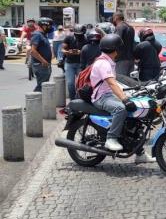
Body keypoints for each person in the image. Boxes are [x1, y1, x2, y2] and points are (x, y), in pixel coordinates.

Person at [92, 34, 155, 163]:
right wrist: (125, 100)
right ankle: (111, 138)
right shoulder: (103, 63)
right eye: (119, 48)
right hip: (101, 97)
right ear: (114, 49)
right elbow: (111, 83)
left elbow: (116, 82)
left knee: (135, 116)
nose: (120, 51)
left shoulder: (108, 61)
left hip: (109, 95)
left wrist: (131, 92)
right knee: (121, 109)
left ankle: (139, 153)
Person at [29, 17, 53, 92]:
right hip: (40, 65)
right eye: (49, 26)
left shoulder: (43, 35)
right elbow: (33, 51)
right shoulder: (37, 35)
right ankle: (34, 101)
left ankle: (38, 101)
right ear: (44, 25)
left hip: (44, 64)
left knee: (43, 86)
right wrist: (43, 61)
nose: (50, 28)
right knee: (41, 87)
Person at [61, 25, 85, 99]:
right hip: (70, 63)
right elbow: (62, 49)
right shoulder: (69, 38)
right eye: (77, 34)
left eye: (80, 34)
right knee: (70, 83)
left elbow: (88, 50)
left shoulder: (86, 39)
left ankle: (80, 99)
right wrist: (68, 52)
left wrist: (81, 52)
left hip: (80, 64)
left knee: (80, 83)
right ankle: (72, 99)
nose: (78, 36)